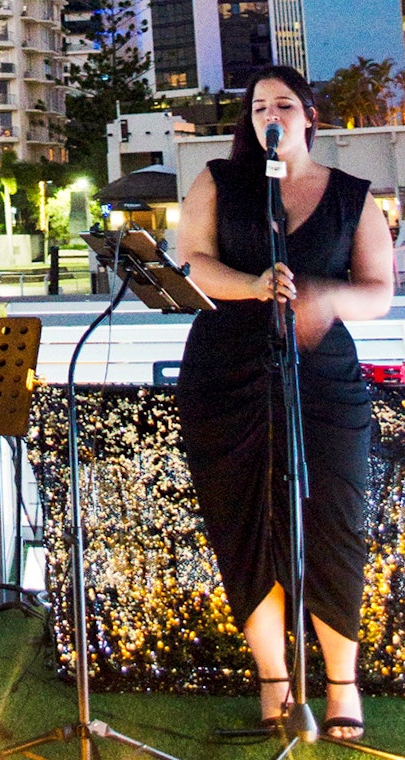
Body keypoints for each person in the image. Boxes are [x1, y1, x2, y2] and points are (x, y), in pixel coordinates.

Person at [175, 65, 394, 740]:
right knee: (246, 523)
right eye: (258, 105)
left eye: (283, 104)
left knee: (335, 520)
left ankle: (340, 684)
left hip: (322, 378)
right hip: (227, 374)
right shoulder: (219, 180)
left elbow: (379, 289)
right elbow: (193, 264)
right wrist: (254, 283)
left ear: (308, 117)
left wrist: (324, 298)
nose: (269, 113)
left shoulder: (351, 196)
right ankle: (274, 678)